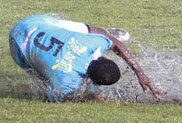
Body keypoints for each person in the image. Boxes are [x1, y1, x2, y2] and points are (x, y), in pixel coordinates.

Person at [8, 14, 162, 101]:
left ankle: (104, 35)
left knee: (91, 31)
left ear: (101, 58)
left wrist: (140, 73)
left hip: (31, 23)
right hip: (17, 46)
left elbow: (117, 44)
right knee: (42, 75)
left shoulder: (90, 44)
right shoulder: (69, 83)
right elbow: (48, 97)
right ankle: (105, 35)